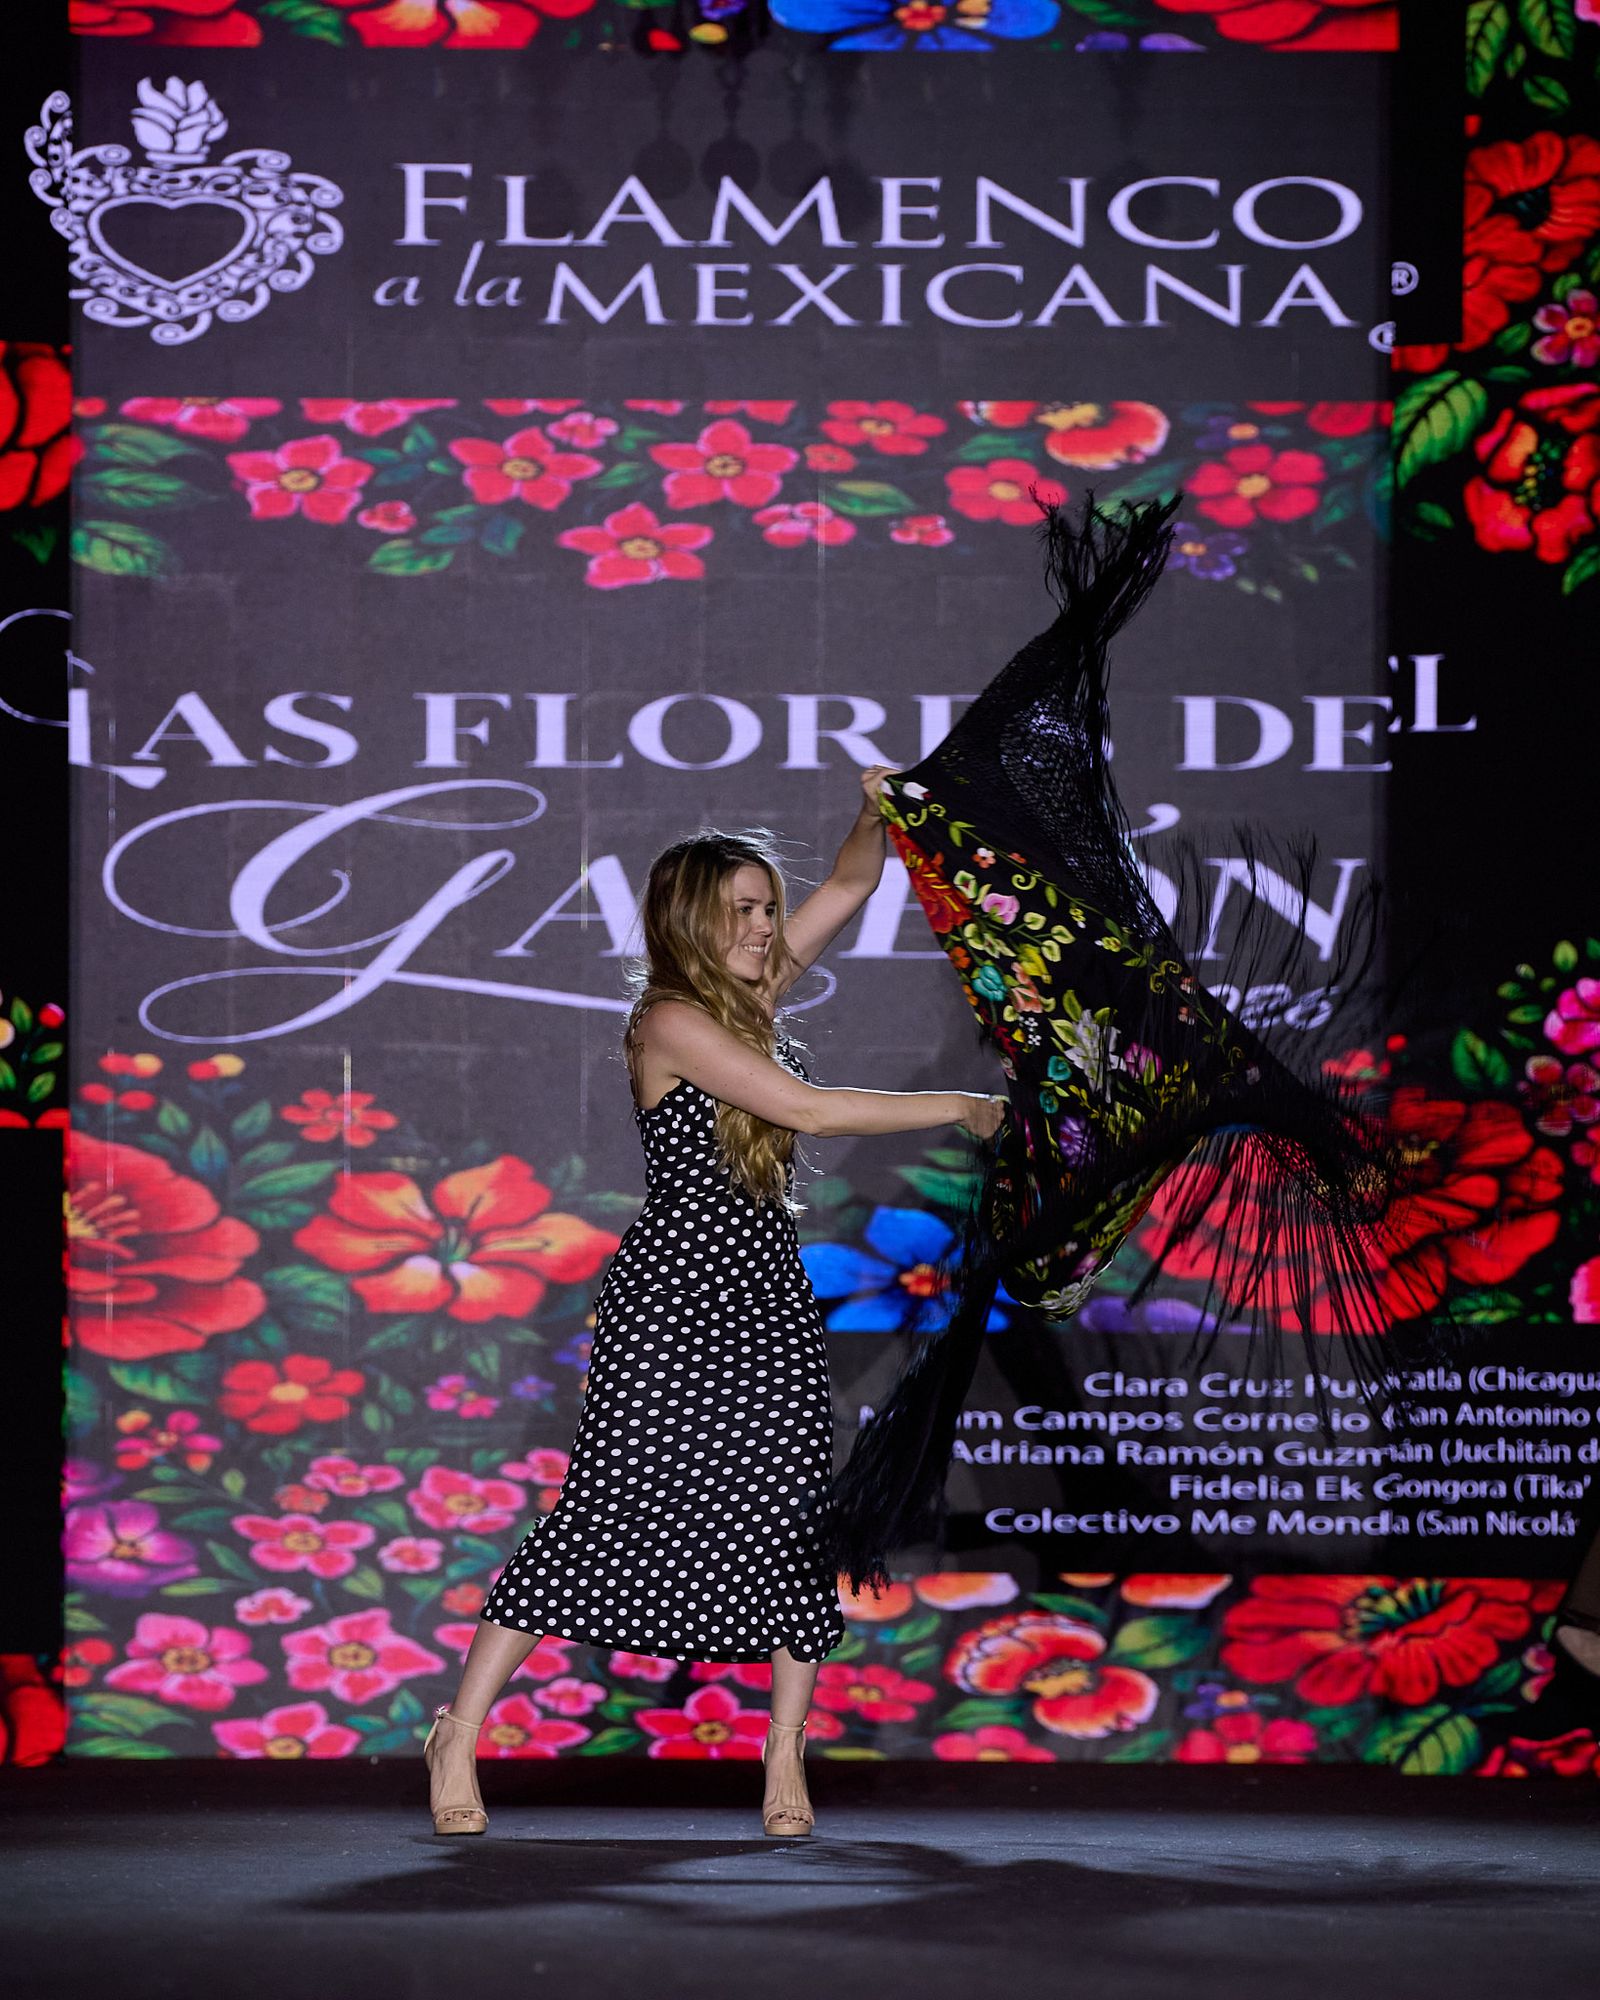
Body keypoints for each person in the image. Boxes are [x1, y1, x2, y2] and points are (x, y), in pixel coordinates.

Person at [423, 771, 1006, 1839]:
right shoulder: (672, 1017)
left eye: (764, 907)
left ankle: (784, 1758)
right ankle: (457, 1730)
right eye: (739, 908)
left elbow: (846, 880)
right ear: (690, 919)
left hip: (764, 1288)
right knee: (605, 1508)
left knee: (790, 1519)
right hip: (674, 1294)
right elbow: (803, 1105)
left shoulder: (750, 997)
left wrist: (875, 815)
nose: (762, 923)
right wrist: (960, 1103)